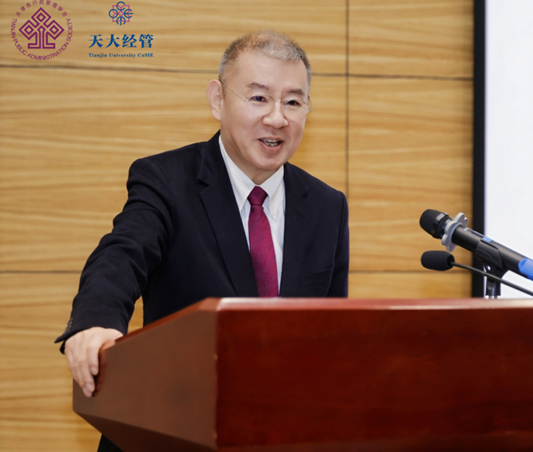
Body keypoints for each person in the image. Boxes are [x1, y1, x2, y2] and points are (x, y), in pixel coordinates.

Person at [55, 30, 349, 451]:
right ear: (217, 100)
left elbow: (333, 334)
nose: (277, 119)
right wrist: (96, 322)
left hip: (280, 434)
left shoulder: (327, 206)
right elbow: (122, 254)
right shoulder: (166, 181)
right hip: (170, 427)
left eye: (293, 102)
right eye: (259, 98)